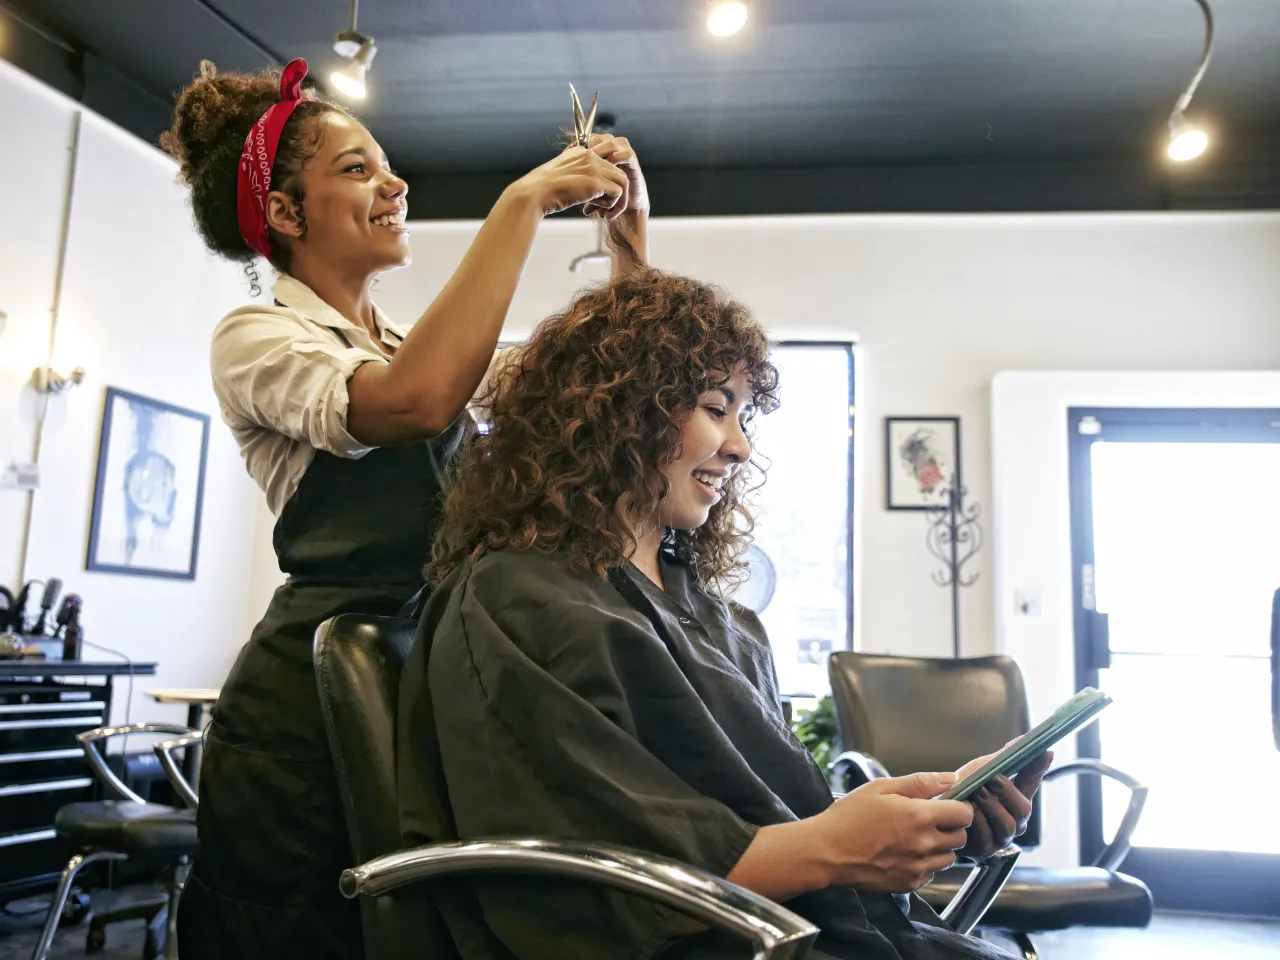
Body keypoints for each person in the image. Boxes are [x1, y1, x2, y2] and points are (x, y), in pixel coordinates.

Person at [399, 269, 1051, 959]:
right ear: (620, 409)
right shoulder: (519, 602)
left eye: (743, 417)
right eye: (716, 407)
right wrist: (833, 846)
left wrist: (923, 821)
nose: (740, 447)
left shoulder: (721, 621)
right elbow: (598, 891)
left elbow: (767, 817)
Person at [159, 56, 650, 959]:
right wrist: (519, 207)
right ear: (282, 213)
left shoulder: (408, 342)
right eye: (357, 169)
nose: (395, 184)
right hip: (301, 718)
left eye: (386, 165)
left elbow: (599, 395)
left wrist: (628, 243)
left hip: (417, 691)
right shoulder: (261, 336)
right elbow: (410, 403)